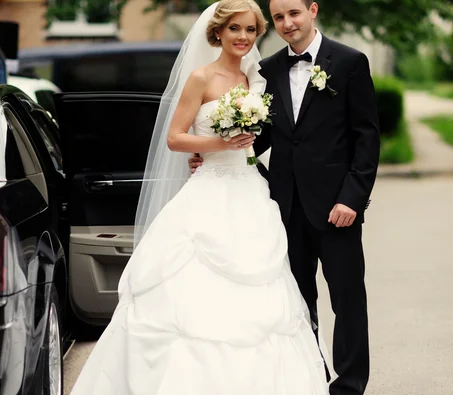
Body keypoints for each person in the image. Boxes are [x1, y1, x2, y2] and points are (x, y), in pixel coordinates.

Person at [70, 1, 329, 394]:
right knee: (187, 293)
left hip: (249, 190)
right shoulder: (200, 77)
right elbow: (175, 137)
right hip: (209, 186)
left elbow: (271, 138)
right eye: (234, 29)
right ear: (217, 33)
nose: (242, 37)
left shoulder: (254, 80)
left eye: (249, 30)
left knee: (263, 288)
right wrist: (215, 142)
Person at [189, 1, 381, 394]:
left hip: (336, 207)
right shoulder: (268, 70)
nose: (287, 23)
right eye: (278, 18)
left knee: (347, 301)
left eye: (294, 13)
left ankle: (349, 386)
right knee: (295, 302)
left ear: (312, 10)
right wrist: (212, 150)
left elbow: (367, 136)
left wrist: (352, 198)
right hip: (284, 206)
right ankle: (310, 377)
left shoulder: (349, 62)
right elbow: (268, 133)